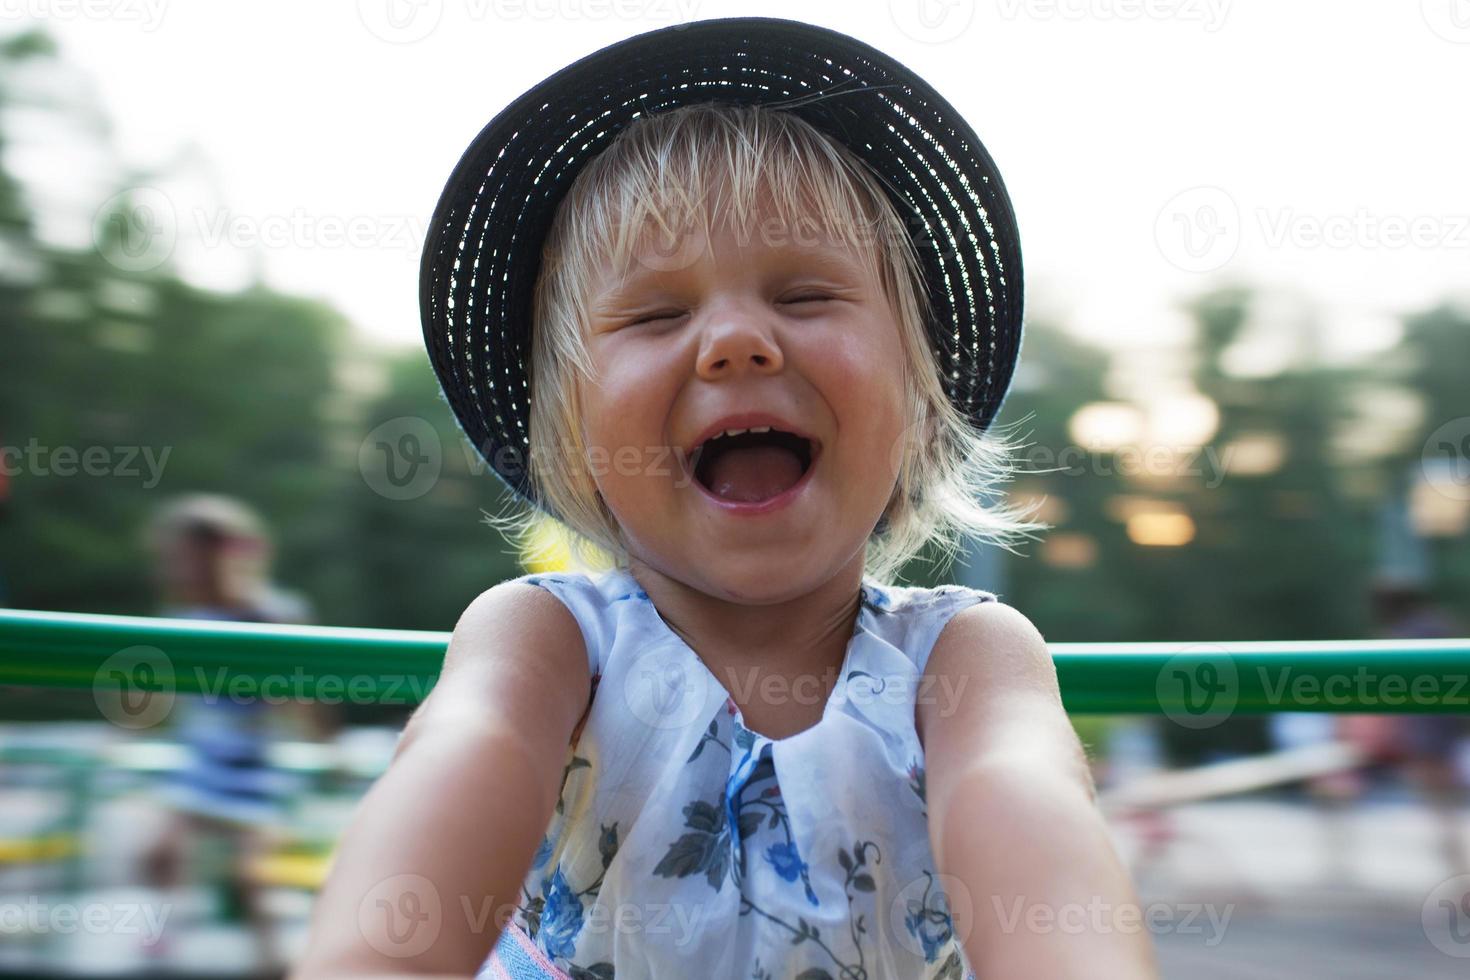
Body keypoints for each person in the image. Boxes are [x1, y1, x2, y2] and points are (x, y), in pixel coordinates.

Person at [297, 18, 1156, 980]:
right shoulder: (549, 644)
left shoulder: (959, 662)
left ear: (917, 407)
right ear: (575, 434)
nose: (737, 341)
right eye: (660, 312)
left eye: (806, 296)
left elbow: (1026, 820)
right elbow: (463, 771)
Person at [141, 493, 321, 973]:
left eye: (187, 558)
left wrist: (319, 742)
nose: (178, 571)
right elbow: (169, 696)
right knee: (158, 852)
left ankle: (276, 962)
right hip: (202, 766)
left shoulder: (268, 615)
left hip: (254, 770)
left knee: (253, 878)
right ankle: (160, 943)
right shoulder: (188, 618)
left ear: (222, 556)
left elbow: (304, 694)